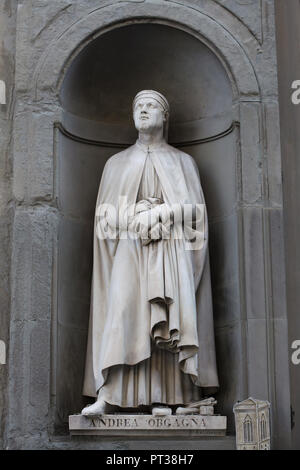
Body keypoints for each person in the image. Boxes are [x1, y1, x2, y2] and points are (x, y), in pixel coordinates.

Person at [81, 90, 218, 415]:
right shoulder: (117, 164)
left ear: (165, 116)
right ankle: (111, 394)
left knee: (170, 317)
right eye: (138, 106)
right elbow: (103, 220)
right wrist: (134, 218)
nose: (143, 110)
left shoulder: (183, 162)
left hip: (171, 253)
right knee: (124, 313)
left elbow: (196, 215)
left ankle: (171, 397)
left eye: (151, 105)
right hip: (129, 252)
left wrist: (162, 215)